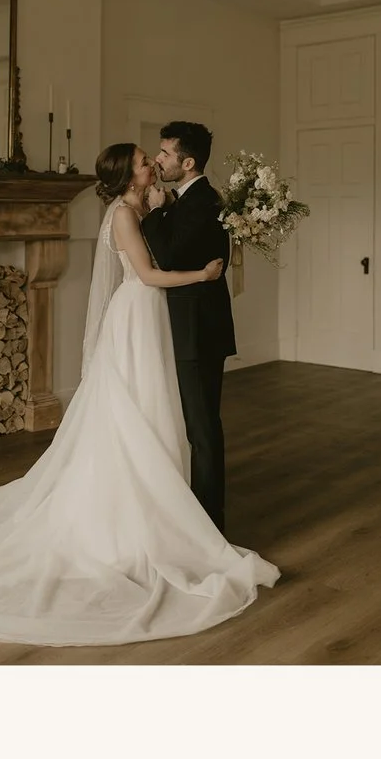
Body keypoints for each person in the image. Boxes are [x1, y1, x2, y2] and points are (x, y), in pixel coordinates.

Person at [0, 143, 276, 646]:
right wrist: (202, 275)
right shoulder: (122, 217)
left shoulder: (146, 207)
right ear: (127, 174)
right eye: (141, 160)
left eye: (151, 157)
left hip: (152, 316)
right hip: (137, 312)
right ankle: (135, 518)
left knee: (155, 412)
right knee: (132, 414)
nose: (151, 163)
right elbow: (150, 274)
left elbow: (168, 241)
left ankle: (166, 507)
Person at [143, 120, 237, 532]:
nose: (158, 159)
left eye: (165, 153)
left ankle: (210, 524)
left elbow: (166, 257)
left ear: (188, 161)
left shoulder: (202, 202)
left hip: (197, 331)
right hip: (186, 327)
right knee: (192, 424)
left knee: (202, 427)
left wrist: (155, 211)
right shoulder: (189, 198)